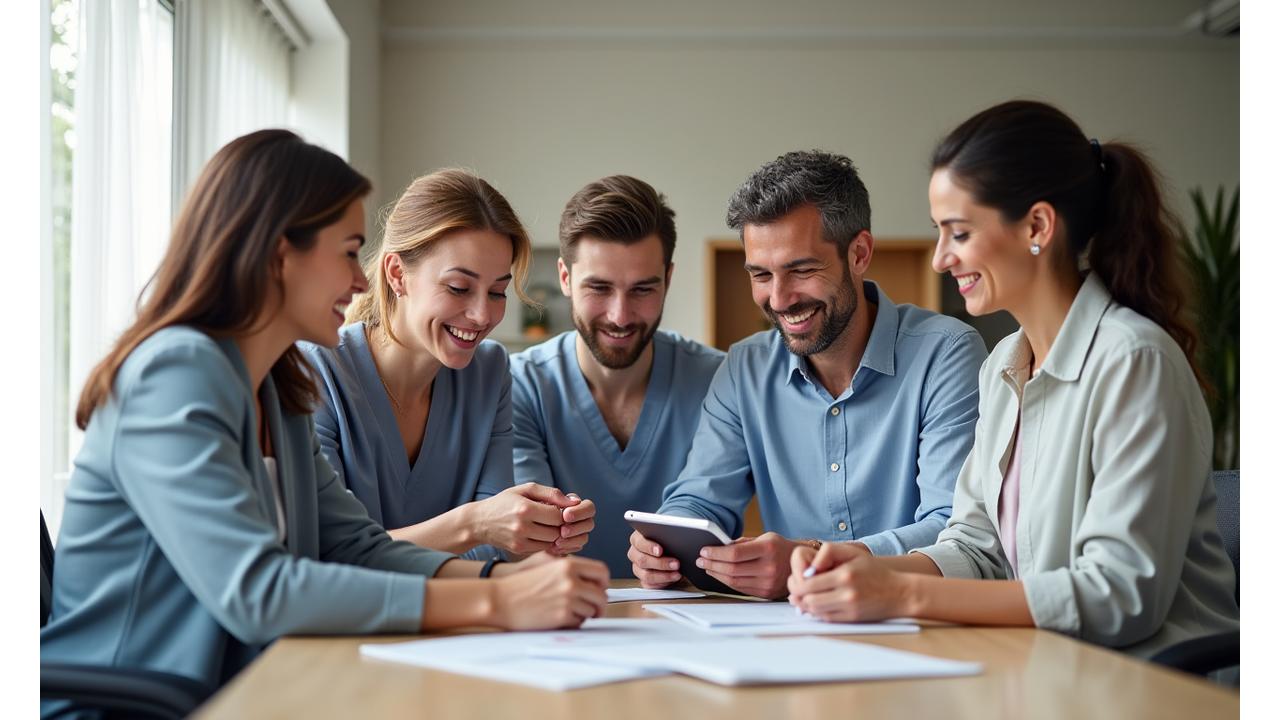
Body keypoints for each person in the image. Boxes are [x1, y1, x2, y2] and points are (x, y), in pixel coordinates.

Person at [40, 131, 609, 712]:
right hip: (130, 705)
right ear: (278, 254)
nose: (360, 281)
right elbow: (258, 590)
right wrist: (498, 605)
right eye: (346, 251)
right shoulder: (174, 373)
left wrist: (500, 583)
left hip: (243, 690)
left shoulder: (277, 388)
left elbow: (355, 548)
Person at [787, 100, 1239, 657]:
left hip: (1154, 685)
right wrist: (869, 562)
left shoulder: (1134, 360)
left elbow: (1118, 596)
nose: (940, 260)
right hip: (1051, 666)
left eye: (958, 233)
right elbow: (979, 547)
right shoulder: (1005, 361)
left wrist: (902, 593)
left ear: (1037, 226)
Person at [629, 150, 988, 598]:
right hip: (795, 630)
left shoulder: (946, 353)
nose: (779, 299)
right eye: (760, 274)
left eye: (800, 270)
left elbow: (953, 527)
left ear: (859, 254)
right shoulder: (745, 368)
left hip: (915, 618)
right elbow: (700, 500)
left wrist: (815, 558)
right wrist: (665, 544)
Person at [300, 169, 596, 560]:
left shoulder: (489, 373)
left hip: (456, 617)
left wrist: (537, 530)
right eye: (459, 288)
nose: (480, 314)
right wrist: (473, 524)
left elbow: (493, 548)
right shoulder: (318, 371)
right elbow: (325, 555)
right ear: (397, 274)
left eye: (497, 292)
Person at [510, 175, 725, 576]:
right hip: (556, 614)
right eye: (599, 288)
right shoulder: (519, 385)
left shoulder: (719, 381)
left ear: (669, 279)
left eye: (643, 289)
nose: (620, 315)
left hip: (690, 617)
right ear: (564, 278)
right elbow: (530, 539)